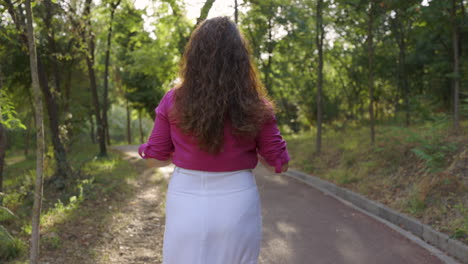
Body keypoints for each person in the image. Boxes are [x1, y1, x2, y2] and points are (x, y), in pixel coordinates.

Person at [138, 16, 290, 264]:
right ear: (241, 60)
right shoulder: (256, 105)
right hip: (238, 201)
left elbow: (155, 158)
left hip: (185, 198)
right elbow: (279, 164)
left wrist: (186, 155)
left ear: (194, 56)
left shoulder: (172, 100)